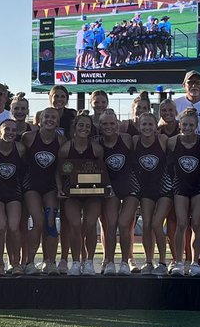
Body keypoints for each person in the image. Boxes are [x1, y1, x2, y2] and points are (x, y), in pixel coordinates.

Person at [58, 111, 109, 275]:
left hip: (92, 193)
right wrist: (59, 188)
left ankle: (88, 262)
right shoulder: (66, 148)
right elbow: (58, 171)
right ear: (74, 127)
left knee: (90, 224)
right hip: (72, 194)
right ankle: (75, 262)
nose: (84, 129)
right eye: (81, 125)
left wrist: (106, 187)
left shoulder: (97, 149)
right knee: (74, 225)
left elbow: (103, 171)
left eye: (87, 126)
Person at [0, 118, 28, 275]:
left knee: (14, 227)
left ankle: (16, 263)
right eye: (6, 129)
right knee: (0, 226)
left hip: (13, 191)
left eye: (13, 130)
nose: (10, 133)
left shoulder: (20, 148)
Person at [166, 106, 200, 276]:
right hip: (180, 186)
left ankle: (195, 263)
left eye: (191, 125)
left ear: (196, 125)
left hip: (198, 186)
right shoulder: (172, 142)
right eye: (185, 125)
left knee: (196, 223)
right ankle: (178, 262)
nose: (188, 128)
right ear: (179, 125)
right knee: (181, 224)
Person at [98, 109, 139, 274]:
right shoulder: (97, 144)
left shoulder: (128, 139)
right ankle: (108, 261)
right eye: (105, 124)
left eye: (112, 123)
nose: (109, 127)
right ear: (99, 126)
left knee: (124, 224)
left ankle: (124, 262)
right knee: (110, 225)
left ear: (118, 124)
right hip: (111, 188)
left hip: (130, 187)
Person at [22, 107, 62, 274]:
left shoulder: (61, 140)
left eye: (53, 117)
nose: (50, 120)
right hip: (31, 186)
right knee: (38, 222)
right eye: (46, 117)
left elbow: (61, 168)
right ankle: (29, 262)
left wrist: (60, 188)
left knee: (50, 222)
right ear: (39, 119)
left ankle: (50, 261)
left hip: (51, 187)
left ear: (58, 121)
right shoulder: (29, 137)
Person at [131, 112, 171, 274]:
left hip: (165, 188)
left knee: (156, 223)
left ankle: (162, 262)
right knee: (147, 224)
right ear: (138, 127)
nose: (147, 127)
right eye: (144, 124)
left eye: (150, 125)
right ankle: (149, 261)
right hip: (146, 189)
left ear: (156, 127)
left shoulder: (163, 140)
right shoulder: (134, 141)